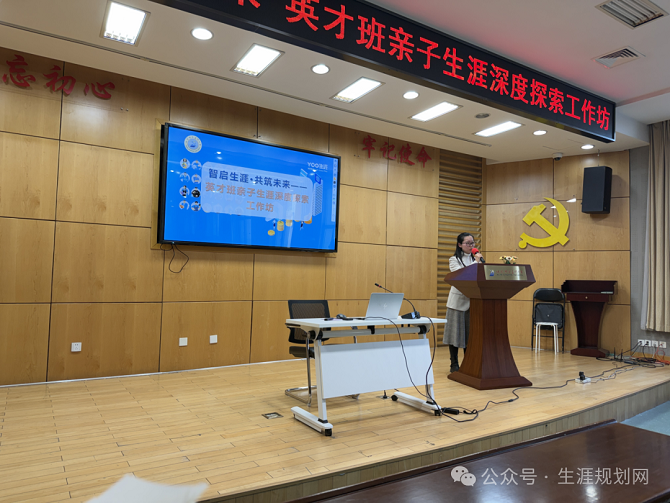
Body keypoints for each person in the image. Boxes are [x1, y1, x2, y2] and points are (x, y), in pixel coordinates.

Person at [444, 232, 483, 373]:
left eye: (473, 243)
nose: (471, 246)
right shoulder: (454, 260)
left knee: (470, 335)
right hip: (457, 302)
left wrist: (479, 262)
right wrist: (476, 262)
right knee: (454, 334)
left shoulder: (477, 259)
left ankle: (469, 362)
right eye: (468, 243)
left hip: (474, 302)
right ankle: (454, 363)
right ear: (460, 245)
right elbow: (462, 275)